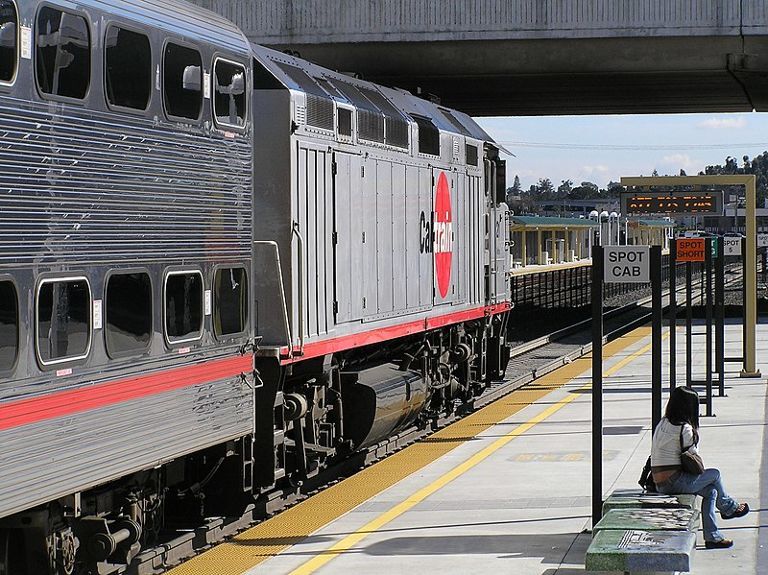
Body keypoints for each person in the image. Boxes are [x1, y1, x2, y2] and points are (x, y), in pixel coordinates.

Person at [651, 386, 749, 549]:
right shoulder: (685, 429)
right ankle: (728, 507)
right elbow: (694, 460)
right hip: (674, 482)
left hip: (659, 482)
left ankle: (713, 537)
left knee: (712, 492)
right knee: (715, 475)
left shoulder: (663, 423)